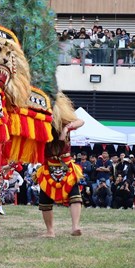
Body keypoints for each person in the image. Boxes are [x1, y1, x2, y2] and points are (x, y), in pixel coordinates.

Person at [35, 96, 85, 237]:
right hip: (48, 166)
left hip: (66, 166)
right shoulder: (41, 122)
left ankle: (75, 227)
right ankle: (50, 231)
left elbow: (81, 121)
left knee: (75, 196)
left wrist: (66, 128)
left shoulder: (65, 121)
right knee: (45, 200)